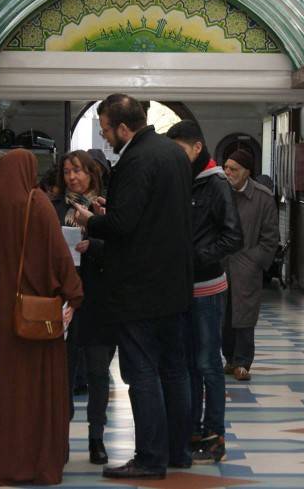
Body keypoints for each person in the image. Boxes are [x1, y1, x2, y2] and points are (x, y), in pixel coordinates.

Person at [72, 94, 194, 480]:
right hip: (174, 282)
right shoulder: (173, 153)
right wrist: (116, 209)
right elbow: (153, 215)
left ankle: (149, 458)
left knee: (141, 372)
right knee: (174, 370)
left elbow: (124, 226)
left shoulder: (136, 158)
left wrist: (92, 219)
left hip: (140, 286)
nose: (106, 137)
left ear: (124, 127)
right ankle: (178, 451)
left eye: (107, 129)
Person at [0, 150, 83, 487]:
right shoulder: (36, 202)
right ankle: (33, 461)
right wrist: (74, 293)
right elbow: (60, 258)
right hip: (32, 317)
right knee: (31, 392)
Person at [165, 120, 243, 465]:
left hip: (208, 287)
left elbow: (233, 237)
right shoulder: (181, 182)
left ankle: (215, 433)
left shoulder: (216, 185)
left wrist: (196, 258)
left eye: (180, 151)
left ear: (197, 148)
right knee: (187, 363)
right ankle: (192, 429)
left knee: (208, 362)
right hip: (182, 287)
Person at [51, 150, 115, 465]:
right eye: (66, 172)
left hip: (99, 300)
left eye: (78, 171)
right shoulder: (53, 208)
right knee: (62, 371)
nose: (72, 178)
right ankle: (59, 437)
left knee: (98, 372)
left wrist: (97, 244)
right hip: (64, 300)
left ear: (92, 173)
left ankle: (96, 438)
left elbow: (126, 249)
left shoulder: (108, 208)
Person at [221, 148, 279, 382]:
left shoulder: (263, 198)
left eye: (233, 169)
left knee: (245, 316)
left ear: (247, 172)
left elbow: (270, 237)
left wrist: (254, 261)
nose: (228, 172)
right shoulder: (219, 191)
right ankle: (230, 359)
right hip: (221, 264)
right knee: (224, 315)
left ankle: (243, 362)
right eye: (226, 167)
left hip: (246, 266)